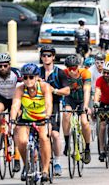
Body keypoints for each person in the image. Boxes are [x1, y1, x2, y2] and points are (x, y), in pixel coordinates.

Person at [10, 63, 53, 182]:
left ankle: (45, 170)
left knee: (44, 138)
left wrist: (48, 117)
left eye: (31, 77)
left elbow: (49, 104)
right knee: (22, 141)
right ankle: (27, 165)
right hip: (26, 118)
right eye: (25, 77)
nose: (28, 80)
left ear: (37, 77)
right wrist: (12, 120)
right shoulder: (20, 88)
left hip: (43, 118)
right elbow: (15, 105)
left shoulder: (44, 87)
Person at [0, 52, 22, 172]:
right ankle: (0, 133)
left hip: (14, 98)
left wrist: (19, 108)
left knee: (16, 129)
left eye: (5, 66)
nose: (2, 68)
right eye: (0, 66)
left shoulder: (16, 74)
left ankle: (17, 159)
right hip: (1, 97)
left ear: (9, 65)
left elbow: (20, 91)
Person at [38, 45, 70, 176]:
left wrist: (54, 91)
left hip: (54, 104)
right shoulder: (37, 72)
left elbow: (67, 91)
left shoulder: (59, 72)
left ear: (53, 57)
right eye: (44, 55)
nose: (46, 57)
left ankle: (57, 162)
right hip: (38, 105)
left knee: (55, 135)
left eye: (49, 55)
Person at [62, 55, 92, 164]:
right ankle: (66, 143)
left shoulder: (85, 73)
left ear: (78, 67)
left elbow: (87, 90)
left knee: (84, 122)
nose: (72, 70)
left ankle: (87, 148)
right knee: (66, 114)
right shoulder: (64, 73)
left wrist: (86, 106)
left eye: (74, 68)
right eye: (69, 68)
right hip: (70, 99)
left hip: (83, 98)